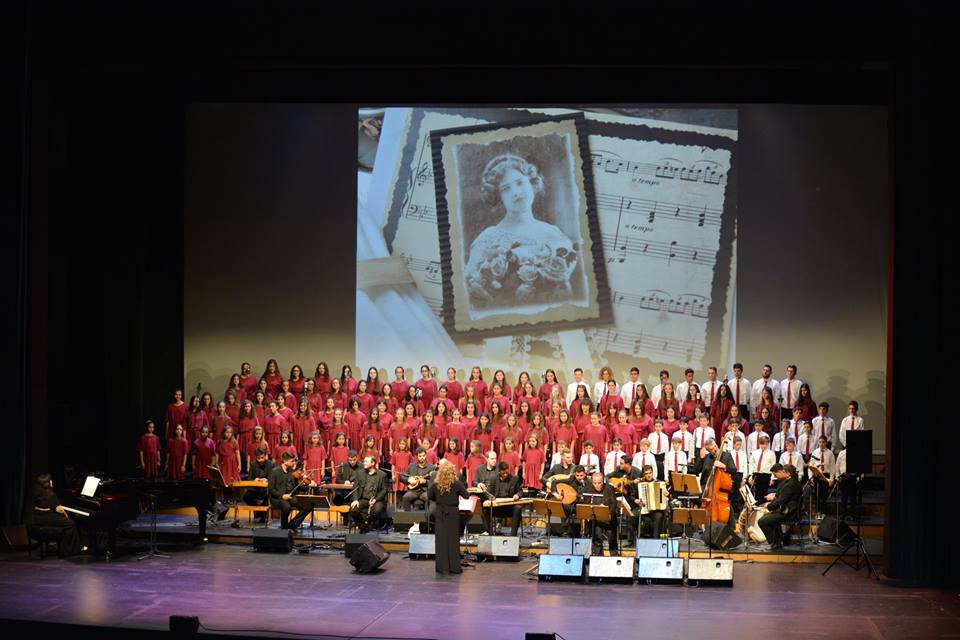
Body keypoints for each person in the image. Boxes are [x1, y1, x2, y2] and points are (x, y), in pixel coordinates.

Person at [465, 153, 579, 309]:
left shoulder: (553, 233)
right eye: (506, 188)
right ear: (499, 196)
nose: (516, 192)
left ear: (531, 183)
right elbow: (473, 295)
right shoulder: (488, 238)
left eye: (520, 183)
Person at [427, 461, 470, 575]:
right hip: (453, 514)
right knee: (453, 540)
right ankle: (454, 567)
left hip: (440, 513)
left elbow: (430, 496)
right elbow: (466, 496)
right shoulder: (457, 484)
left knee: (441, 540)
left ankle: (443, 568)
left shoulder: (436, 484)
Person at [31, 473, 84, 556]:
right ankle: (72, 550)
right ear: (47, 483)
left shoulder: (38, 492)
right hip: (47, 517)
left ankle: (64, 548)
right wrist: (66, 516)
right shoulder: (50, 494)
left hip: (38, 517)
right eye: (50, 480)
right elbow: (59, 510)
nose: (52, 481)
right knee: (71, 523)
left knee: (65, 524)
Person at [758, 463, 802, 550]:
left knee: (762, 521)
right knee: (768, 517)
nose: (782, 473)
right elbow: (782, 496)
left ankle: (774, 543)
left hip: (789, 512)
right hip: (786, 509)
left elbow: (781, 500)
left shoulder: (790, 484)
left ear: (788, 474)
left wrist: (768, 506)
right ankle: (777, 541)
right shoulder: (789, 481)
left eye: (783, 472)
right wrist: (774, 497)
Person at [267, 452, 315, 531]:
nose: (294, 463)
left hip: (290, 497)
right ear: (285, 461)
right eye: (292, 461)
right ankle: (284, 527)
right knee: (286, 506)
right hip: (278, 498)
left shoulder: (292, 472)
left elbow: (297, 487)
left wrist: (309, 486)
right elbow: (271, 489)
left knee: (309, 505)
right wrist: (282, 496)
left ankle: (293, 524)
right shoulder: (274, 472)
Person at [481, 462, 523, 536]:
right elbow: (488, 492)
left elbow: (520, 491)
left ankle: (513, 536)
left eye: (507, 472)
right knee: (485, 509)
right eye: (503, 473)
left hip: (509, 507)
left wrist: (517, 495)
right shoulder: (493, 479)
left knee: (518, 508)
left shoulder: (514, 479)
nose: (505, 475)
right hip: (497, 507)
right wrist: (490, 497)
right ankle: (490, 533)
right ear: (499, 471)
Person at [582, 471, 619, 554]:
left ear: (603, 481)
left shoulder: (609, 488)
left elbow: (614, 504)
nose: (597, 485)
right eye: (595, 483)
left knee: (612, 539)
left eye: (599, 483)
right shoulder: (588, 489)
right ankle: (598, 556)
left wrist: (609, 513)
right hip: (596, 520)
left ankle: (614, 556)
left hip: (609, 519)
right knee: (597, 539)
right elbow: (586, 503)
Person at [350, 455, 389, 532]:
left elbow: (384, 490)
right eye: (364, 461)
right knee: (353, 510)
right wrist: (355, 500)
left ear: (373, 463)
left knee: (377, 511)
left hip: (377, 500)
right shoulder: (359, 473)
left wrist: (375, 499)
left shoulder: (382, 475)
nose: (364, 463)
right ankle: (363, 526)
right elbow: (355, 488)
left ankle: (370, 525)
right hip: (363, 499)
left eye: (366, 462)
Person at [400, 447, 437, 511]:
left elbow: (435, 483)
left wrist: (426, 481)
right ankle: (407, 516)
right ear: (416, 456)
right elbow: (402, 477)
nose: (422, 457)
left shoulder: (432, 467)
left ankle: (428, 516)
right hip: (413, 491)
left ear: (426, 455)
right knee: (406, 497)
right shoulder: (411, 466)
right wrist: (408, 480)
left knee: (428, 497)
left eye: (423, 455)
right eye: (420, 456)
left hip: (426, 491)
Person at [244, 447, 274, 523]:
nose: (260, 460)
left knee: (266, 496)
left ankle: (262, 516)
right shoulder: (253, 464)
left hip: (266, 489)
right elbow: (249, 478)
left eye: (262, 457)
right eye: (258, 458)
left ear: (265, 456)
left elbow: (274, 479)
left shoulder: (271, 464)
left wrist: (267, 479)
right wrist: (255, 480)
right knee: (246, 496)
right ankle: (258, 510)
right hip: (256, 489)